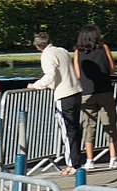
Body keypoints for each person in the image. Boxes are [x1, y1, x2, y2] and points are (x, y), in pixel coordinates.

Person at [27, 32, 82, 176]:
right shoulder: (62, 51)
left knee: (67, 131)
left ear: (38, 46)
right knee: (75, 129)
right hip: (75, 91)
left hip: (63, 95)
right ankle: (76, 162)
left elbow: (50, 75)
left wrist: (36, 85)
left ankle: (72, 165)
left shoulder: (46, 55)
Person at [74, 25, 117, 170]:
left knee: (88, 126)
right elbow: (112, 69)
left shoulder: (78, 51)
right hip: (105, 90)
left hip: (86, 93)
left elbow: (77, 74)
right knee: (110, 124)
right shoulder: (104, 47)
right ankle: (113, 158)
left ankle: (90, 160)